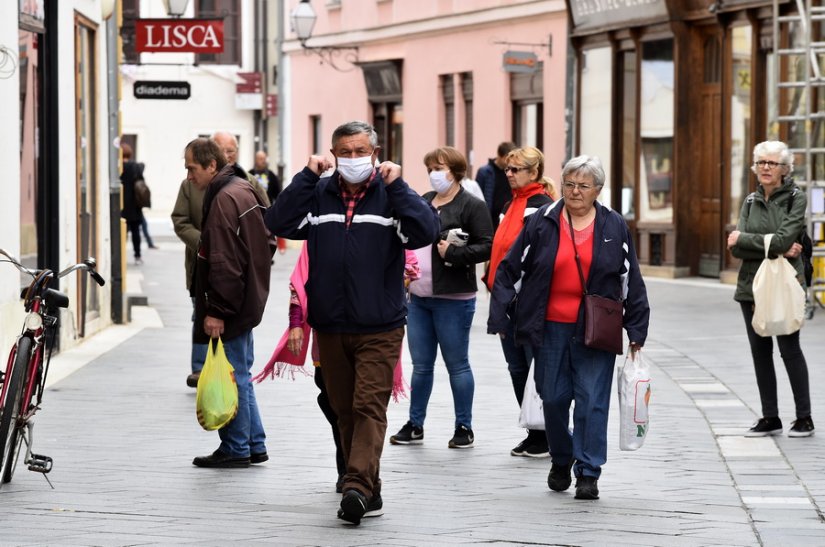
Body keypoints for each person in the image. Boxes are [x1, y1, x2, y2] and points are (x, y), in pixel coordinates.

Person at [265, 121, 440, 525]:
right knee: (342, 409)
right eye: (345, 151)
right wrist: (307, 175)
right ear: (333, 154)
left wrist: (399, 187)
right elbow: (277, 222)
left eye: (360, 150)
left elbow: (426, 230)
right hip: (330, 323)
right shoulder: (319, 193)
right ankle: (369, 490)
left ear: (374, 153)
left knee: (368, 404)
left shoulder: (390, 194)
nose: (353, 158)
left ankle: (356, 485)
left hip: (380, 324)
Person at [488, 155, 650, 500]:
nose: (575, 192)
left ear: (598, 191)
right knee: (555, 398)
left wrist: (636, 329)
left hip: (597, 329)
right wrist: (500, 315)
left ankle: (589, 471)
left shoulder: (614, 226)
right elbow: (509, 269)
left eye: (583, 186)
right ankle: (561, 458)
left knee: (592, 401)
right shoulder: (542, 221)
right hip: (548, 328)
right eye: (569, 184)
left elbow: (630, 279)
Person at [254, 243, 420, 494]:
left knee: (367, 405)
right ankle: (351, 469)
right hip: (329, 336)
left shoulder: (388, 221)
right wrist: (296, 322)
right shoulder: (322, 227)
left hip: (375, 331)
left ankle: (359, 476)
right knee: (338, 407)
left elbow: (410, 267)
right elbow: (300, 278)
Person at [390, 146, 492, 449]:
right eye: (430, 168)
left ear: (456, 170)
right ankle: (415, 423)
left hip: (454, 297)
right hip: (418, 297)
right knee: (421, 365)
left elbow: (488, 245)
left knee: (457, 364)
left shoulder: (471, 205)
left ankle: (464, 426)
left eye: (440, 167)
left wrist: (457, 252)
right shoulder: (424, 201)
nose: (435, 174)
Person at [185, 137, 274, 469]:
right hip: (247, 298)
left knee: (234, 373)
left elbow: (222, 261)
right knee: (242, 372)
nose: (189, 176)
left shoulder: (223, 198)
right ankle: (255, 443)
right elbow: (268, 239)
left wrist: (217, 310)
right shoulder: (244, 188)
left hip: (233, 303)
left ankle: (237, 447)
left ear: (211, 165)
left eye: (192, 168)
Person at [727, 140, 814, 438]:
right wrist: (768, 244)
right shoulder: (750, 201)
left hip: (785, 284)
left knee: (790, 349)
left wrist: (746, 239)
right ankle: (770, 417)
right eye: (761, 162)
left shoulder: (796, 199)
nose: (765, 167)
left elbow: (782, 238)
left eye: (772, 163)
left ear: (785, 169)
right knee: (760, 352)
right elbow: (738, 250)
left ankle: (804, 417)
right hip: (751, 286)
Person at [484, 146, 556, 458]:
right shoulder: (510, 205)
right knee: (516, 367)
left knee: (534, 368)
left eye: (516, 170)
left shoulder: (542, 207)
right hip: (506, 301)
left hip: (529, 302)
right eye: (507, 170)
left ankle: (546, 433)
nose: (509, 175)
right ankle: (533, 429)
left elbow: (540, 259)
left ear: (534, 172)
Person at [171, 167, 208, 388]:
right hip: (199, 265)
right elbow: (180, 220)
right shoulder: (189, 186)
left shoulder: (243, 181)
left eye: (231, 150)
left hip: (232, 267)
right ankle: (200, 367)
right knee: (200, 314)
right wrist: (204, 243)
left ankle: (229, 367)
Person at [211, 131, 271, 207]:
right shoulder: (197, 180)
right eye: (219, 151)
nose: (225, 156)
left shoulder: (252, 182)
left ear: (237, 152)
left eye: (230, 151)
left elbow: (266, 213)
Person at [476, 141, 517, 228]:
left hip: (508, 218)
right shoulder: (485, 172)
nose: (509, 161)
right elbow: (477, 197)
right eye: (507, 158)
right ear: (500, 155)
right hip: (490, 219)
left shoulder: (513, 172)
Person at [119, 143, 145, 265]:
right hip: (134, 205)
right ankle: (137, 255)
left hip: (121, 204)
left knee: (122, 232)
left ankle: (121, 255)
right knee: (135, 232)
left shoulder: (118, 167)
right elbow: (141, 181)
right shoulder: (135, 167)